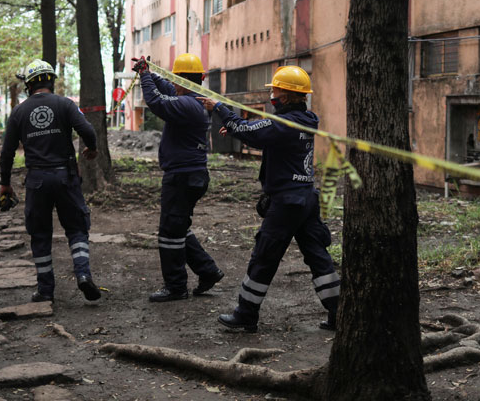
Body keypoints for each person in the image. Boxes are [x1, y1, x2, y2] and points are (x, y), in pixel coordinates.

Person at [197, 65, 340, 332]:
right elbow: (259, 132)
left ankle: (246, 314)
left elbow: (255, 129)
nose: (272, 95)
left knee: (264, 256)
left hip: (286, 203)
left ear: (285, 96)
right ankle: (339, 312)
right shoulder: (306, 119)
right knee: (318, 256)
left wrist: (218, 108)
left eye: (274, 90)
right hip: (306, 198)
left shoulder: (283, 124)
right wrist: (240, 129)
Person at [0, 59, 101, 304]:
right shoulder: (65, 104)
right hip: (65, 177)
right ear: (51, 81)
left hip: (37, 181)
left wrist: (5, 184)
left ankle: (45, 290)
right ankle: (83, 274)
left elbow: (7, 152)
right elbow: (87, 130)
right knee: (76, 228)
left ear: (29, 85)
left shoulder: (19, 112)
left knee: (40, 234)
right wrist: (92, 148)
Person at [131, 53, 224, 302]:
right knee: (178, 227)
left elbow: (157, 101)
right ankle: (208, 271)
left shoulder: (187, 105)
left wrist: (144, 77)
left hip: (182, 178)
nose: (171, 84)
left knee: (170, 232)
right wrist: (150, 72)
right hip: (190, 175)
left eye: (174, 79)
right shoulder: (193, 99)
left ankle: (175, 286)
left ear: (181, 80)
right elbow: (166, 89)